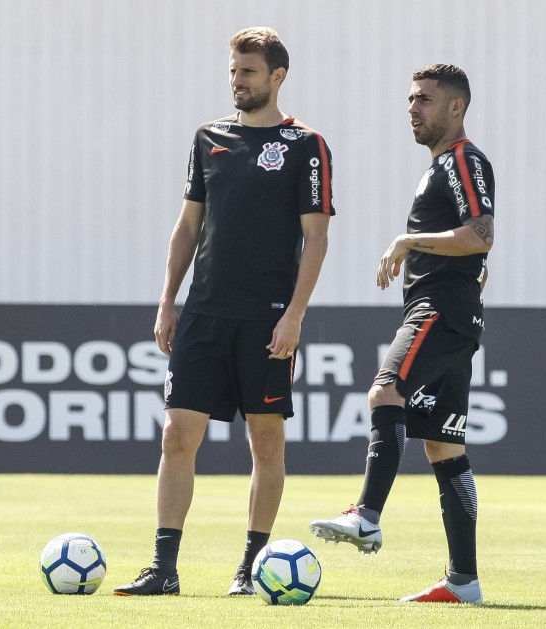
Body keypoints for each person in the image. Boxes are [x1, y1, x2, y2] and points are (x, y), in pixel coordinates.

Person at [113, 26, 335, 597]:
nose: (237, 81)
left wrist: (295, 315)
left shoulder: (305, 144)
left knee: (265, 443)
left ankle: (252, 566)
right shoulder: (208, 137)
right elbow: (188, 226)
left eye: (249, 72)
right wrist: (168, 300)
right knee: (176, 435)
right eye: (233, 71)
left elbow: (316, 239)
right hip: (203, 315)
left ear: (277, 76)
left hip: (266, 319)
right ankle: (164, 568)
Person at [309, 64, 494, 604]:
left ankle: (367, 515)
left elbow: (481, 232)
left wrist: (409, 240)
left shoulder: (464, 159)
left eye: (424, 100)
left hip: (439, 309)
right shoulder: (442, 165)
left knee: (384, 390)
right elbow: (476, 242)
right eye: (410, 99)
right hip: (455, 312)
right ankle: (464, 581)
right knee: (444, 445)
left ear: (455, 108)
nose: (412, 108)